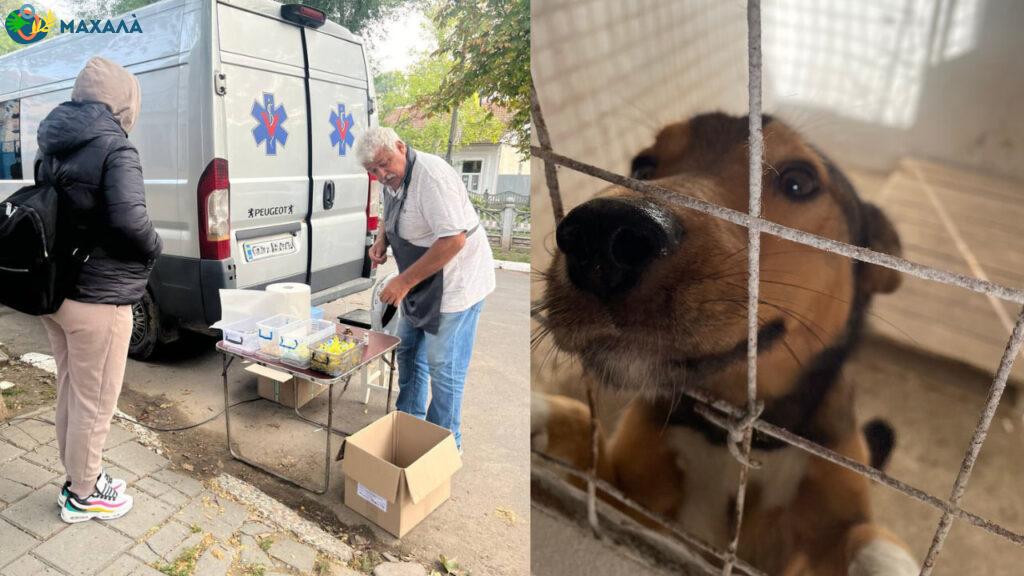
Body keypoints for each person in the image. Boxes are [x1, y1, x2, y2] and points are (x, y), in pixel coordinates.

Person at [36, 57, 162, 523]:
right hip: (100, 299)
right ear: (123, 101)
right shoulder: (116, 148)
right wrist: (155, 246)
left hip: (58, 292)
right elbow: (131, 222)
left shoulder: (51, 143)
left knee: (72, 390)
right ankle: (84, 495)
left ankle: (78, 478)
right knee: (95, 401)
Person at [355, 127, 495, 451]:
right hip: (422, 279)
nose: (381, 174)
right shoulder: (390, 180)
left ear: (401, 147)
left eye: (384, 164)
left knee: (443, 366)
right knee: (408, 351)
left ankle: (445, 445)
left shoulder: (431, 177)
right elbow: (393, 216)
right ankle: (409, 424)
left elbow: (453, 240)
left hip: (457, 281)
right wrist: (381, 240)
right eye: (372, 171)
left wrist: (402, 282)